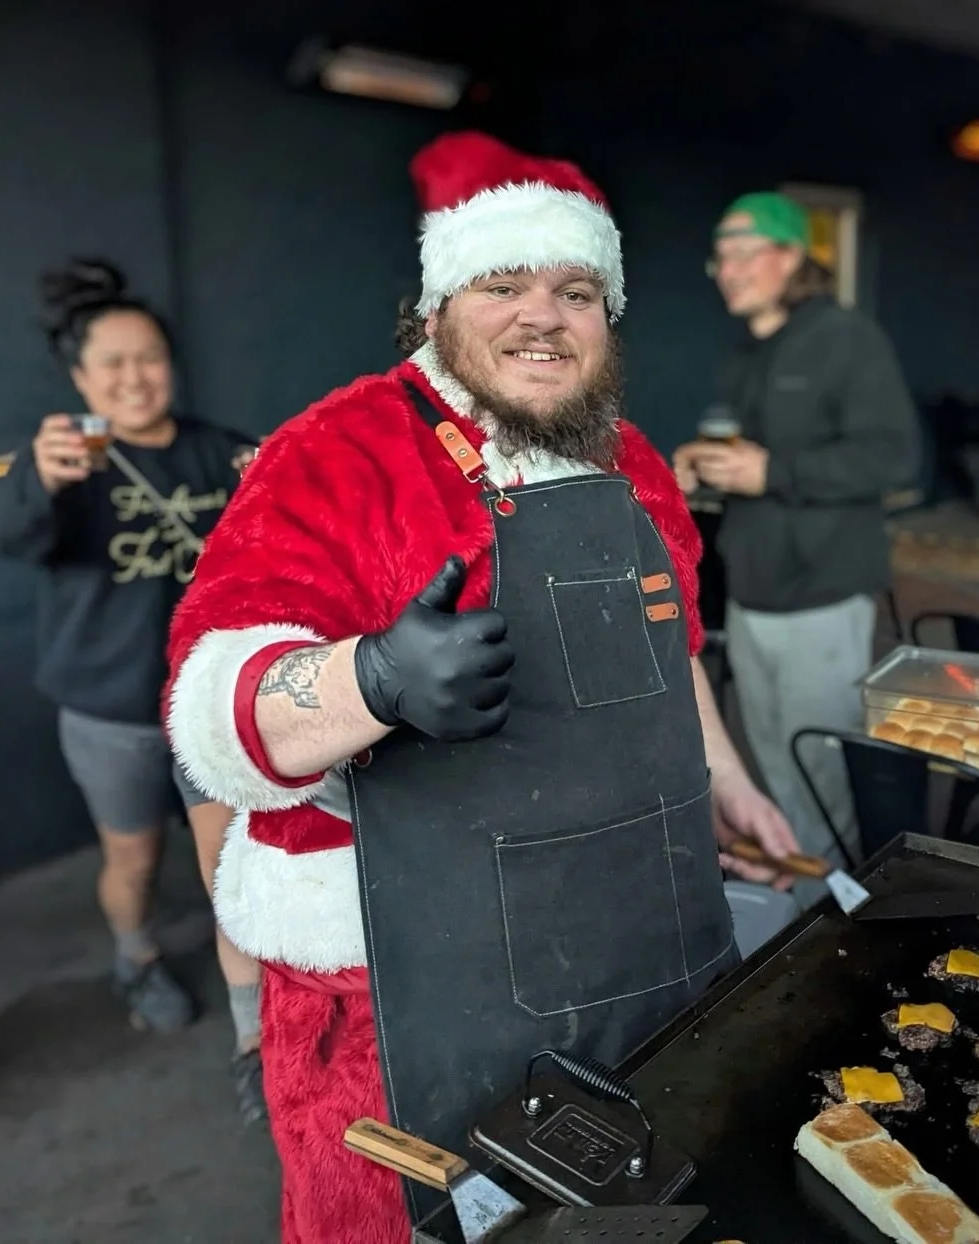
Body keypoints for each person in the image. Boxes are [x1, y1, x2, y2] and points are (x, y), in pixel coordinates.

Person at [163, 131, 798, 1244]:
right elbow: (214, 697)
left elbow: (674, 645)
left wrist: (726, 780)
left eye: (574, 289)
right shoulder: (337, 449)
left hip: (622, 939)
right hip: (392, 987)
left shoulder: (634, 460)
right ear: (437, 306)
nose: (540, 315)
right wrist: (369, 680)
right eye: (503, 283)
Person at [0, 259, 267, 1122]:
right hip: (111, 712)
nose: (135, 378)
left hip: (210, 708)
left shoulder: (218, 447)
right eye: (113, 365)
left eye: (149, 358)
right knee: (132, 860)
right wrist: (42, 475)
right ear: (81, 379)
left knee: (234, 875)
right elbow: (9, 535)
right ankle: (133, 954)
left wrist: (273, 484)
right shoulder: (70, 460)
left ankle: (254, 1041)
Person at [673, 192, 921, 900]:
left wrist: (773, 472)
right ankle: (802, 905)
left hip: (821, 594)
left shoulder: (846, 338)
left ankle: (843, 908)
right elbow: (743, 448)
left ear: (790, 257)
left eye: (744, 253)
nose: (727, 270)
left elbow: (894, 457)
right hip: (753, 592)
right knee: (777, 769)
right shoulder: (746, 352)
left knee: (824, 770)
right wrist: (700, 463)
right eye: (719, 256)